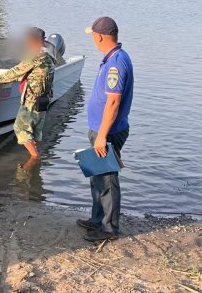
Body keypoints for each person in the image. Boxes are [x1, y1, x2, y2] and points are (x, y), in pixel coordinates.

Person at [77, 16, 133, 242]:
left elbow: (113, 102)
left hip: (108, 132)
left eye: (93, 35)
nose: (93, 39)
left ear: (99, 37)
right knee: (97, 175)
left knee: (107, 179)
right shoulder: (111, 58)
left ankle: (109, 229)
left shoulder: (116, 62)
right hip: (101, 130)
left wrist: (101, 136)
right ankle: (97, 219)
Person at [0, 27, 55, 160]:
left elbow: (17, 71)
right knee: (35, 130)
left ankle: (34, 158)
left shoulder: (36, 56)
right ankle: (35, 156)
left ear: (34, 40)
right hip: (44, 99)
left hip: (32, 100)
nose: (26, 44)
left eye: (27, 41)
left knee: (20, 128)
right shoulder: (48, 55)